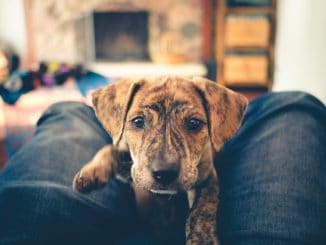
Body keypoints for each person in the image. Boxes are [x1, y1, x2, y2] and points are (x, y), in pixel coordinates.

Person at [0, 91, 325, 244]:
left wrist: (203, 220)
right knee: (292, 106)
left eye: (194, 123)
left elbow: (208, 178)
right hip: (130, 193)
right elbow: (115, 151)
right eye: (139, 121)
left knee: (67, 113)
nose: (164, 158)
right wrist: (106, 157)